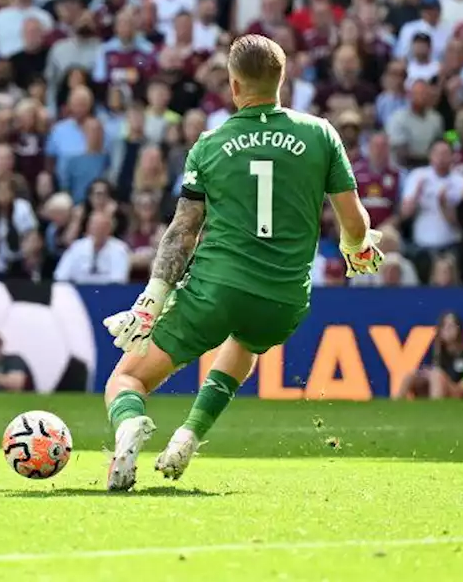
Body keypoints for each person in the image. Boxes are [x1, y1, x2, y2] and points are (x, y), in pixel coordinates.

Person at [99, 34, 383, 492]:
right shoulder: (320, 133)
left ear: (233, 86)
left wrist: (151, 299)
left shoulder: (210, 145)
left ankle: (131, 426)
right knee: (247, 341)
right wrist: (358, 248)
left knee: (128, 377)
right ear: (282, 79)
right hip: (284, 300)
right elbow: (352, 222)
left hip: (216, 290)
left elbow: (182, 232)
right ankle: (189, 436)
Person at [395, 311, 463, 400]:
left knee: (437, 375)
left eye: (451, 326)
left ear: (459, 329)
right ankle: (396, 407)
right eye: (444, 326)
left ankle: (436, 407)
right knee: (410, 376)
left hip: (456, 394)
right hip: (432, 388)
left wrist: (442, 378)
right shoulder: (436, 352)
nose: (447, 329)